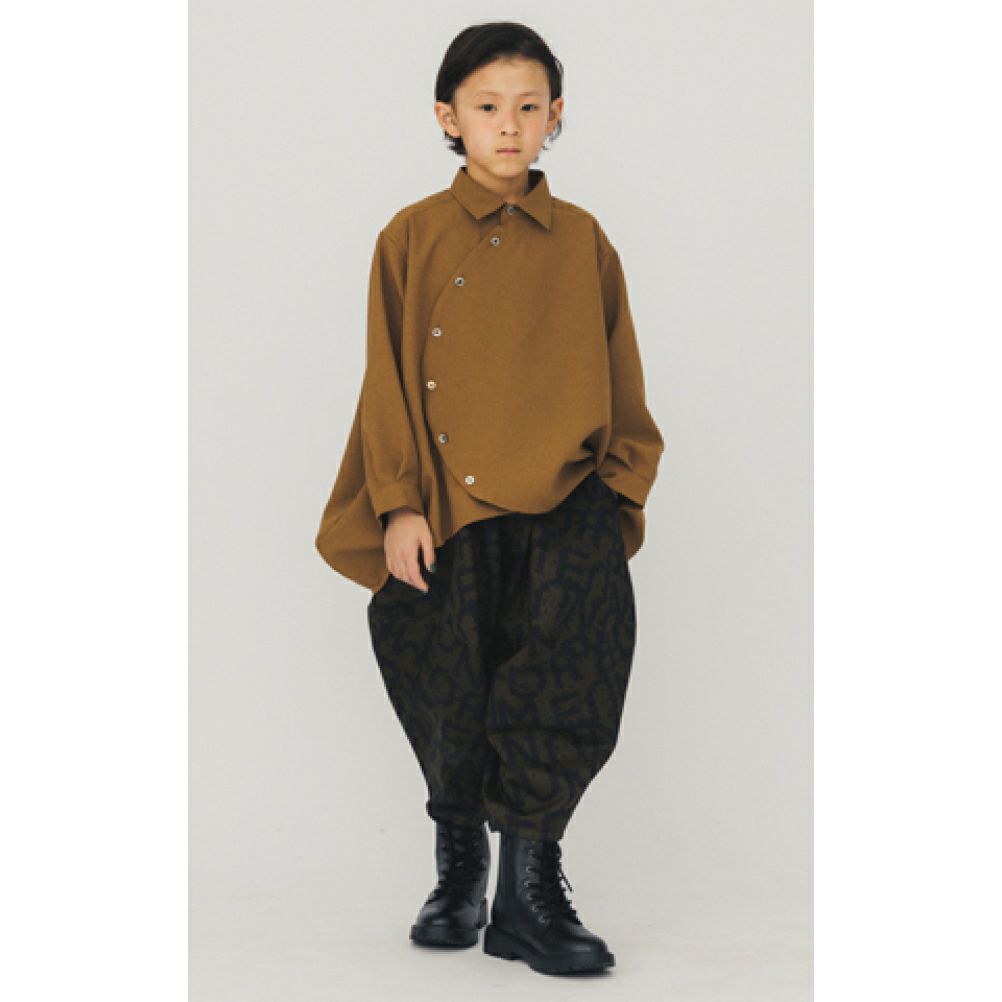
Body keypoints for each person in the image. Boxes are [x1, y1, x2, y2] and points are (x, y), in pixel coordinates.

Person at [314, 21, 665, 976]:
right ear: (448, 117)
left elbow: (620, 372)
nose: (508, 126)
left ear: (556, 116)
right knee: (448, 683)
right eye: (486, 106)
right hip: (448, 504)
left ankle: (528, 895)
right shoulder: (412, 236)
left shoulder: (584, 240)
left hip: (568, 502)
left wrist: (617, 493)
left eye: (527, 107)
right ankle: (460, 870)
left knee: (568, 680)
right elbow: (387, 379)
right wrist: (398, 502)